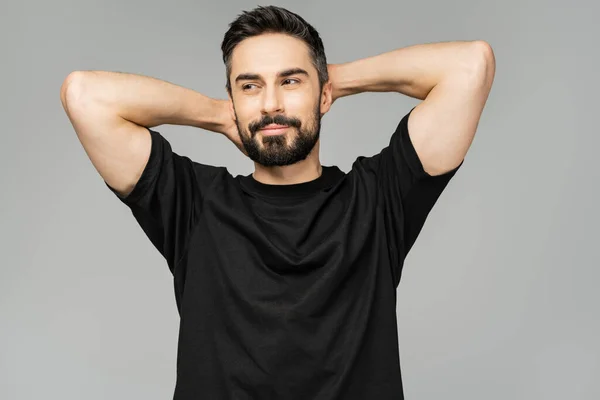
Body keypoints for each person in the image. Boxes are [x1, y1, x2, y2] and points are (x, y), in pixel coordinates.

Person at [60, 5, 495, 399]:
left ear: (322, 95)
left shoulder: (378, 197)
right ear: (233, 100)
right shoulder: (194, 204)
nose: (270, 105)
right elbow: (84, 95)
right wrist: (215, 113)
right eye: (250, 87)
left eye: (290, 81)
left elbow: (471, 66)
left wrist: (335, 78)